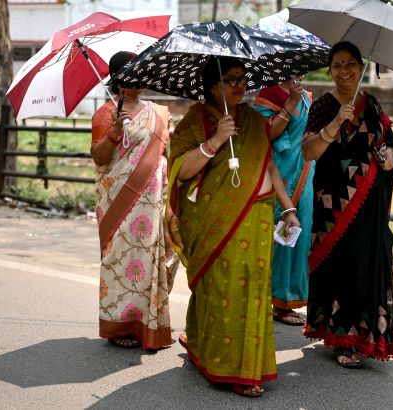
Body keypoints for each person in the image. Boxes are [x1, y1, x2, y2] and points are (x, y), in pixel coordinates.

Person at [167, 56, 301, 397]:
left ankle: (250, 368)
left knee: (254, 293)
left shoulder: (254, 121)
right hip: (214, 222)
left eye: (242, 79)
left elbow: (269, 168)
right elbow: (180, 172)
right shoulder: (194, 121)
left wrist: (288, 209)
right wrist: (213, 142)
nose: (239, 86)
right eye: (230, 79)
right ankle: (220, 364)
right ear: (212, 85)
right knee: (222, 289)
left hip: (257, 219)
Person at [300, 41, 393, 368]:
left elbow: (389, 148)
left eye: (350, 64)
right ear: (330, 70)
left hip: (368, 203)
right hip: (332, 202)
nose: (344, 70)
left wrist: (387, 160)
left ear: (361, 66)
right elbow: (308, 152)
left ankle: (364, 336)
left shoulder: (371, 105)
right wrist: (333, 126)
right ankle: (340, 337)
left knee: (364, 265)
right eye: (337, 65)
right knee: (339, 265)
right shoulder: (324, 106)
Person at [91, 51, 177, 351]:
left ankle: (149, 323)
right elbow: (99, 159)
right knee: (122, 258)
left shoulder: (159, 113)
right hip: (119, 202)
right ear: (117, 78)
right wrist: (114, 133)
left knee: (152, 258)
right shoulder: (105, 114)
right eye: (130, 72)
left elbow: (165, 154)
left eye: (141, 71)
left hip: (153, 202)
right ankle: (120, 324)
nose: (138, 77)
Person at [253, 78, 314, 326]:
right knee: (277, 236)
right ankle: (274, 298)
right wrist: (290, 104)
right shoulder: (269, 93)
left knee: (301, 234)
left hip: (306, 170)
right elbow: (266, 134)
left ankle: (288, 298)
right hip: (280, 172)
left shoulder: (308, 95)